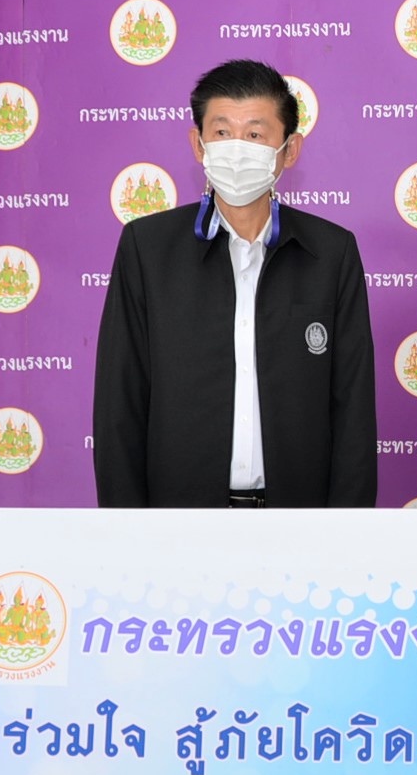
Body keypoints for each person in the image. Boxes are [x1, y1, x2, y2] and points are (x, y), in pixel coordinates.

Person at [93, 58, 377, 508]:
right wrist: (127, 528)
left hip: (299, 518)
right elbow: (119, 403)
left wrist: (344, 528)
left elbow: (353, 409)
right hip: (180, 520)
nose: (237, 149)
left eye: (255, 134)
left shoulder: (330, 253)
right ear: (198, 144)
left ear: (289, 150)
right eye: (222, 132)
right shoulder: (148, 249)